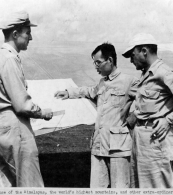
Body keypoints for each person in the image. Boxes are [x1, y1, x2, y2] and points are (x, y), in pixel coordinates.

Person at [122, 33, 173, 188]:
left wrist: (169, 120)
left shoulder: (163, 72)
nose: (131, 60)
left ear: (144, 51)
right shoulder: (146, 75)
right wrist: (136, 115)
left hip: (155, 142)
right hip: (141, 140)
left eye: (132, 55)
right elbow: (153, 104)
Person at [0, 11, 53, 187]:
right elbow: (22, 105)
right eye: (28, 32)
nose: (31, 37)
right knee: (30, 186)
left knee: (6, 186)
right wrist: (43, 113)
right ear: (15, 34)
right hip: (16, 128)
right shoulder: (10, 59)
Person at [54, 43, 138, 188]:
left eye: (98, 62)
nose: (96, 67)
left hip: (118, 148)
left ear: (110, 60)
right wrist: (69, 93)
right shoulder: (102, 83)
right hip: (98, 146)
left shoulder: (129, 81)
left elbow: (150, 102)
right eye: (94, 63)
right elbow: (88, 91)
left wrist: (133, 118)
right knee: (97, 189)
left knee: (121, 189)